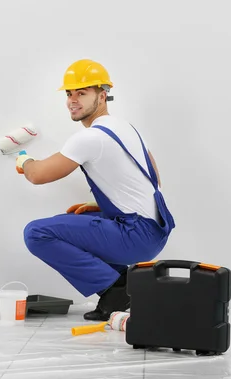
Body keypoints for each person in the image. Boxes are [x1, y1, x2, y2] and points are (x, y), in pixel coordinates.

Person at [18, 59, 175, 321]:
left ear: (102, 96)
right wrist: (104, 207)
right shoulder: (125, 127)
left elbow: (38, 175)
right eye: (69, 93)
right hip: (155, 229)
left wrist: (24, 161)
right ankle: (123, 281)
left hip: (136, 235)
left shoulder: (90, 138)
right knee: (69, 222)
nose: (72, 100)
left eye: (82, 93)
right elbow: (154, 178)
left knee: (36, 233)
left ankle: (114, 290)